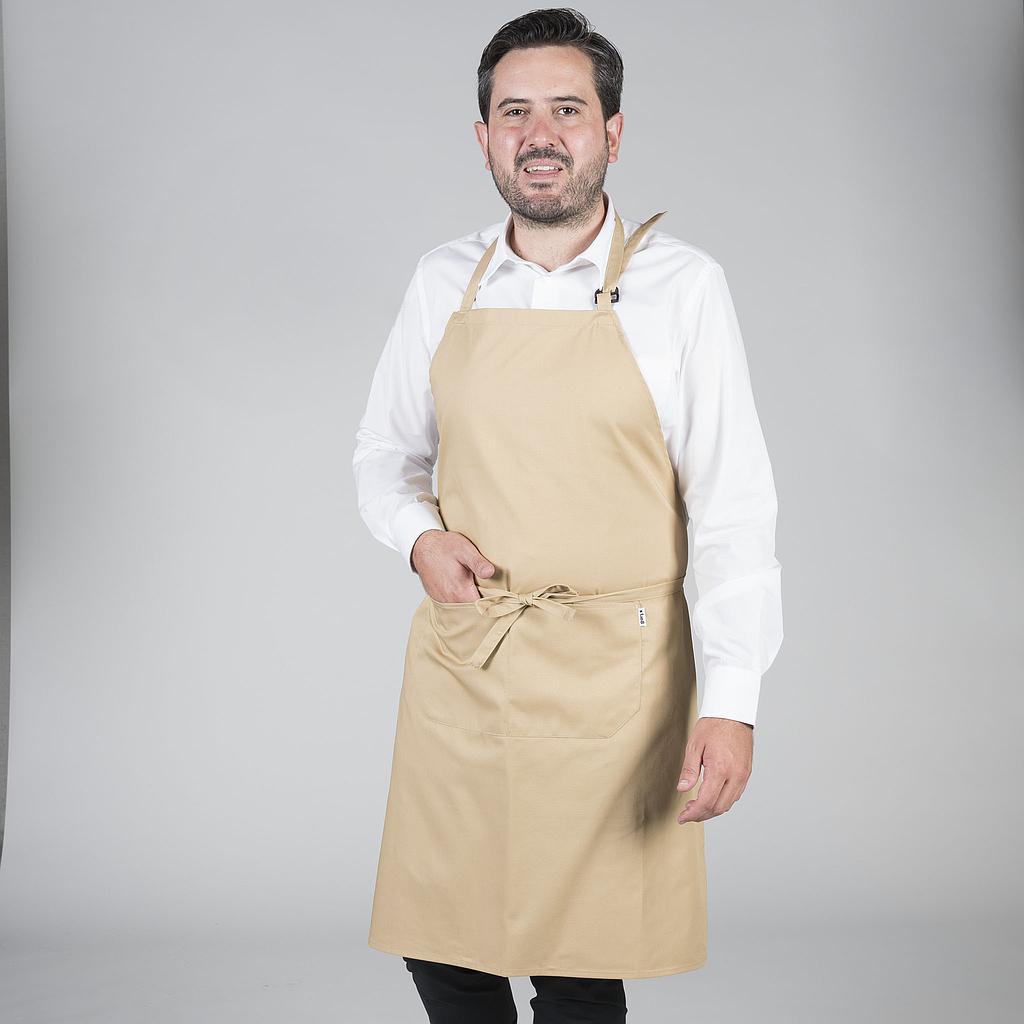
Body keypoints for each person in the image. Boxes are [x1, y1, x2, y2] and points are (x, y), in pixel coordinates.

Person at [352, 8, 783, 1022]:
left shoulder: (684, 289)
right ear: (483, 136)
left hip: (616, 677)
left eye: (566, 109)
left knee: (582, 958)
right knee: (442, 938)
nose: (538, 134)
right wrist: (419, 538)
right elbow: (383, 456)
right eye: (514, 112)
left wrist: (732, 702)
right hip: (471, 660)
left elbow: (732, 508)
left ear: (611, 132)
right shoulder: (441, 282)